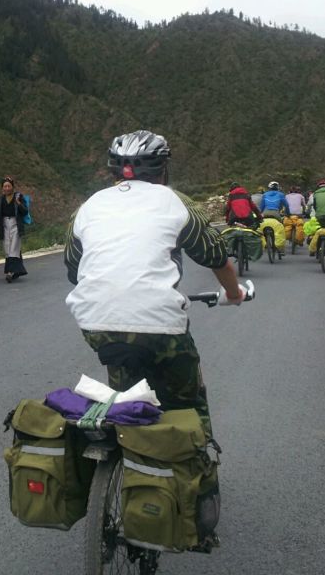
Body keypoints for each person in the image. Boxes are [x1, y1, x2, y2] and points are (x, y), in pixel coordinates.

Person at [64, 129, 247, 546]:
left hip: (97, 324)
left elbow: (75, 270)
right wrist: (234, 293)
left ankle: (123, 464)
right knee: (189, 405)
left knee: (126, 402)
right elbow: (215, 255)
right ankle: (200, 501)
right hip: (161, 327)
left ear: (113, 171)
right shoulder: (175, 202)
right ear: (163, 170)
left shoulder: (88, 207)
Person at [0, 176, 29, 282]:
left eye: (9, 186)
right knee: (7, 248)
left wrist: (18, 203)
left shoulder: (18, 197)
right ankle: (16, 271)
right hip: (4, 225)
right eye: (5, 186)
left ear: (12, 187)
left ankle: (10, 272)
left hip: (15, 224)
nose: (7, 188)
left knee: (14, 247)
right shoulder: (0, 200)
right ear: (2, 188)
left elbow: (25, 211)